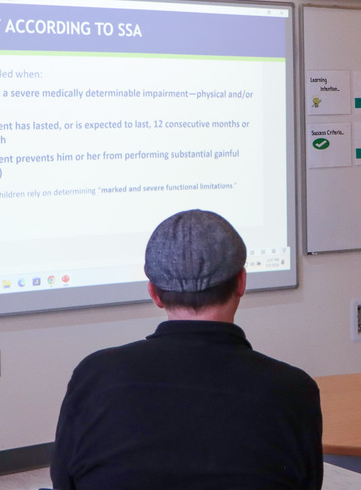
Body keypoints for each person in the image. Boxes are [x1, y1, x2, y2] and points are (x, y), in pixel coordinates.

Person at [51, 209, 323, 490]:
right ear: (241, 282)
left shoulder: (95, 375)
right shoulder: (293, 390)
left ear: (154, 293)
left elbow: (64, 481)